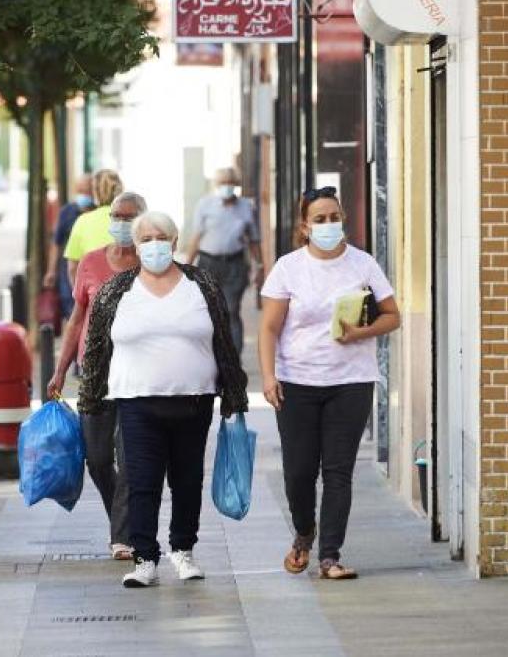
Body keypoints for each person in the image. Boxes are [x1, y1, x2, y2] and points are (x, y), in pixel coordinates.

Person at [79, 211, 248, 588]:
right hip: (136, 403)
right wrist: (90, 399)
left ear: (174, 242)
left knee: (187, 480)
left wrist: (234, 393)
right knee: (142, 481)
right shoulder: (116, 291)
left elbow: (223, 339)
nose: (154, 244)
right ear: (136, 247)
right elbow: (95, 349)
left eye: (161, 237)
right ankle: (144, 558)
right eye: (146, 239)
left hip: (194, 400)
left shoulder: (201, 284)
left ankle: (183, 550)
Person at [258, 186, 401, 580]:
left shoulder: (363, 264)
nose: (328, 225)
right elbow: (269, 328)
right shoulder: (288, 268)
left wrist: (359, 333)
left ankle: (330, 556)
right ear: (304, 227)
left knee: (338, 471)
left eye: (333, 217)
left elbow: (392, 315)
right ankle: (304, 531)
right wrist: (269, 377)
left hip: (351, 382)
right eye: (319, 219)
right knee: (299, 472)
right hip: (297, 381)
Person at [47, 191, 148, 560]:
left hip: (138, 371)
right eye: (117, 216)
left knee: (131, 454)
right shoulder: (91, 262)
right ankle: (121, 519)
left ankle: (122, 534)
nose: (121, 223)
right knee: (98, 457)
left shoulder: (152, 263)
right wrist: (59, 370)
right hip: (94, 371)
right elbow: (76, 319)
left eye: (130, 216)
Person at [184, 167, 263, 352]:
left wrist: (259, 266)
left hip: (235, 265)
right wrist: (186, 265)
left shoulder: (245, 207)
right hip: (208, 263)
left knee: (231, 310)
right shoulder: (205, 205)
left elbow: (254, 239)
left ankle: (234, 360)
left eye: (230, 183)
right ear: (216, 185)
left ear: (235, 185)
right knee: (209, 311)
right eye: (222, 183)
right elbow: (196, 237)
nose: (226, 187)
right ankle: (214, 355)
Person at [44, 173, 94, 321]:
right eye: (80, 191)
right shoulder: (66, 212)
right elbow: (56, 243)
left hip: (90, 272)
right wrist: (51, 271)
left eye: (86, 191)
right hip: (68, 272)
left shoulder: (99, 213)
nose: (83, 195)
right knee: (71, 313)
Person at [63, 169, 123, 283]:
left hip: (94, 294)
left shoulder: (83, 221)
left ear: (95, 193)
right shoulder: (134, 219)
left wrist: (80, 296)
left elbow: (72, 268)